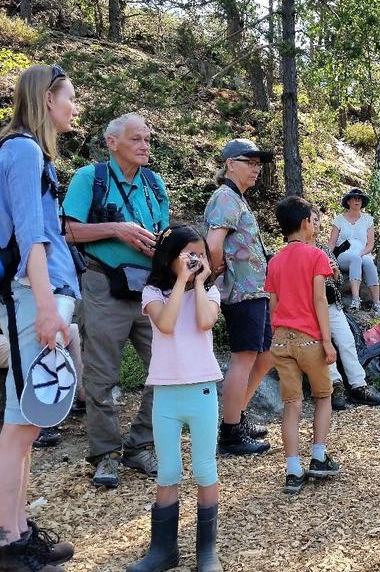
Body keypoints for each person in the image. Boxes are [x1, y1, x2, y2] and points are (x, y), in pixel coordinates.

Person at [0, 63, 79, 572]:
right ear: (47, 99)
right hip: (29, 297)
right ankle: (7, 545)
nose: (74, 106)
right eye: (69, 97)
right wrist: (45, 306)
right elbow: (29, 237)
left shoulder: (25, 152)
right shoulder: (21, 151)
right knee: (20, 426)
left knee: (28, 424)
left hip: (34, 296)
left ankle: (21, 535)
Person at [63, 113, 169, 488]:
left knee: (168, 368)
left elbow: (163, 233)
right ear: (112, 142)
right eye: (137, 139)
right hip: (104, 284)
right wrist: (117, 229)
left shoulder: (154, 184)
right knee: (101, 375)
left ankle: (140, 444)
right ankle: (105, 454)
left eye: (148, 139)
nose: (145, 146)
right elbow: (68, 231)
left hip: (150, 291)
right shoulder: (89, 179)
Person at [129, 225, 222, 572]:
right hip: (165, 393)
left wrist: (198, 282)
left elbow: (204, 322)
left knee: (204, 469)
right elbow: (166, 325)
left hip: (201, 390)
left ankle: (207, 552)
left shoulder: (211, 292)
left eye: (200, 254)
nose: (195, 260)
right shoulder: (153, 292)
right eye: (188, 254)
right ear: (170, 256)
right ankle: (162, 550)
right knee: (167, 471)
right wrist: (181, 281)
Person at [204, 138, 274, 456]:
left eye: (259, 164)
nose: (256, 169)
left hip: (256, 291)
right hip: (242, 292)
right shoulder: (225, 197)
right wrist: (214, 276)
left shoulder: (237, 198)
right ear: (231, 164)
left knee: (265, 355)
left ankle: (237, 416)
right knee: (244, 358)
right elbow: (214, 243)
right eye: (250, 162)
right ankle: (230, 433)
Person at [265, 196, 340, 494]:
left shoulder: (275, 260)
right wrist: (326, 340)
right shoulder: (316, 256)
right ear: (306, 223)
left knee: (292, 404)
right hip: (311, 339)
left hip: (281, 341)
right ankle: (319, 456)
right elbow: (320, 300)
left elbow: (273, 303)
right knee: (323, 395)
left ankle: (293, 470)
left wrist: (279, 333)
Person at [0, 309, 86, 447]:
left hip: (8, 336)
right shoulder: (19, 288)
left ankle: (83, 397)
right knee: (32, 348)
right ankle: (36, 420)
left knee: (71, 330)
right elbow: (0, 319)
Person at [308, 207, 380, 410]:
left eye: (317, 220)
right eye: (311, 220)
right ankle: (335, 386)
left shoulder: (324, 249)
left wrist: (334, 273)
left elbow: (339, 278)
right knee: (324, 346)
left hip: (333, 304)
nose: (315, 224)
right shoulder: (300, 250)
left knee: (347, 341)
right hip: (312, 307)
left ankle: (359, 385)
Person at [329, 188, 380, 316]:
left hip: (363, 252)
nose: (357, 201)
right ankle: (355, 300)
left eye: (359, 198)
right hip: (345, 254)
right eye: (354, 198)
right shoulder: (339, 220)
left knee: (369, 263)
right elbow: (332, 242)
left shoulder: (368, 220)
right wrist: (327, 256)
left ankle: (377, 303)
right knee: (355, 259)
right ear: (348, 201)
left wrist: (361, 254)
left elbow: (370, 244)